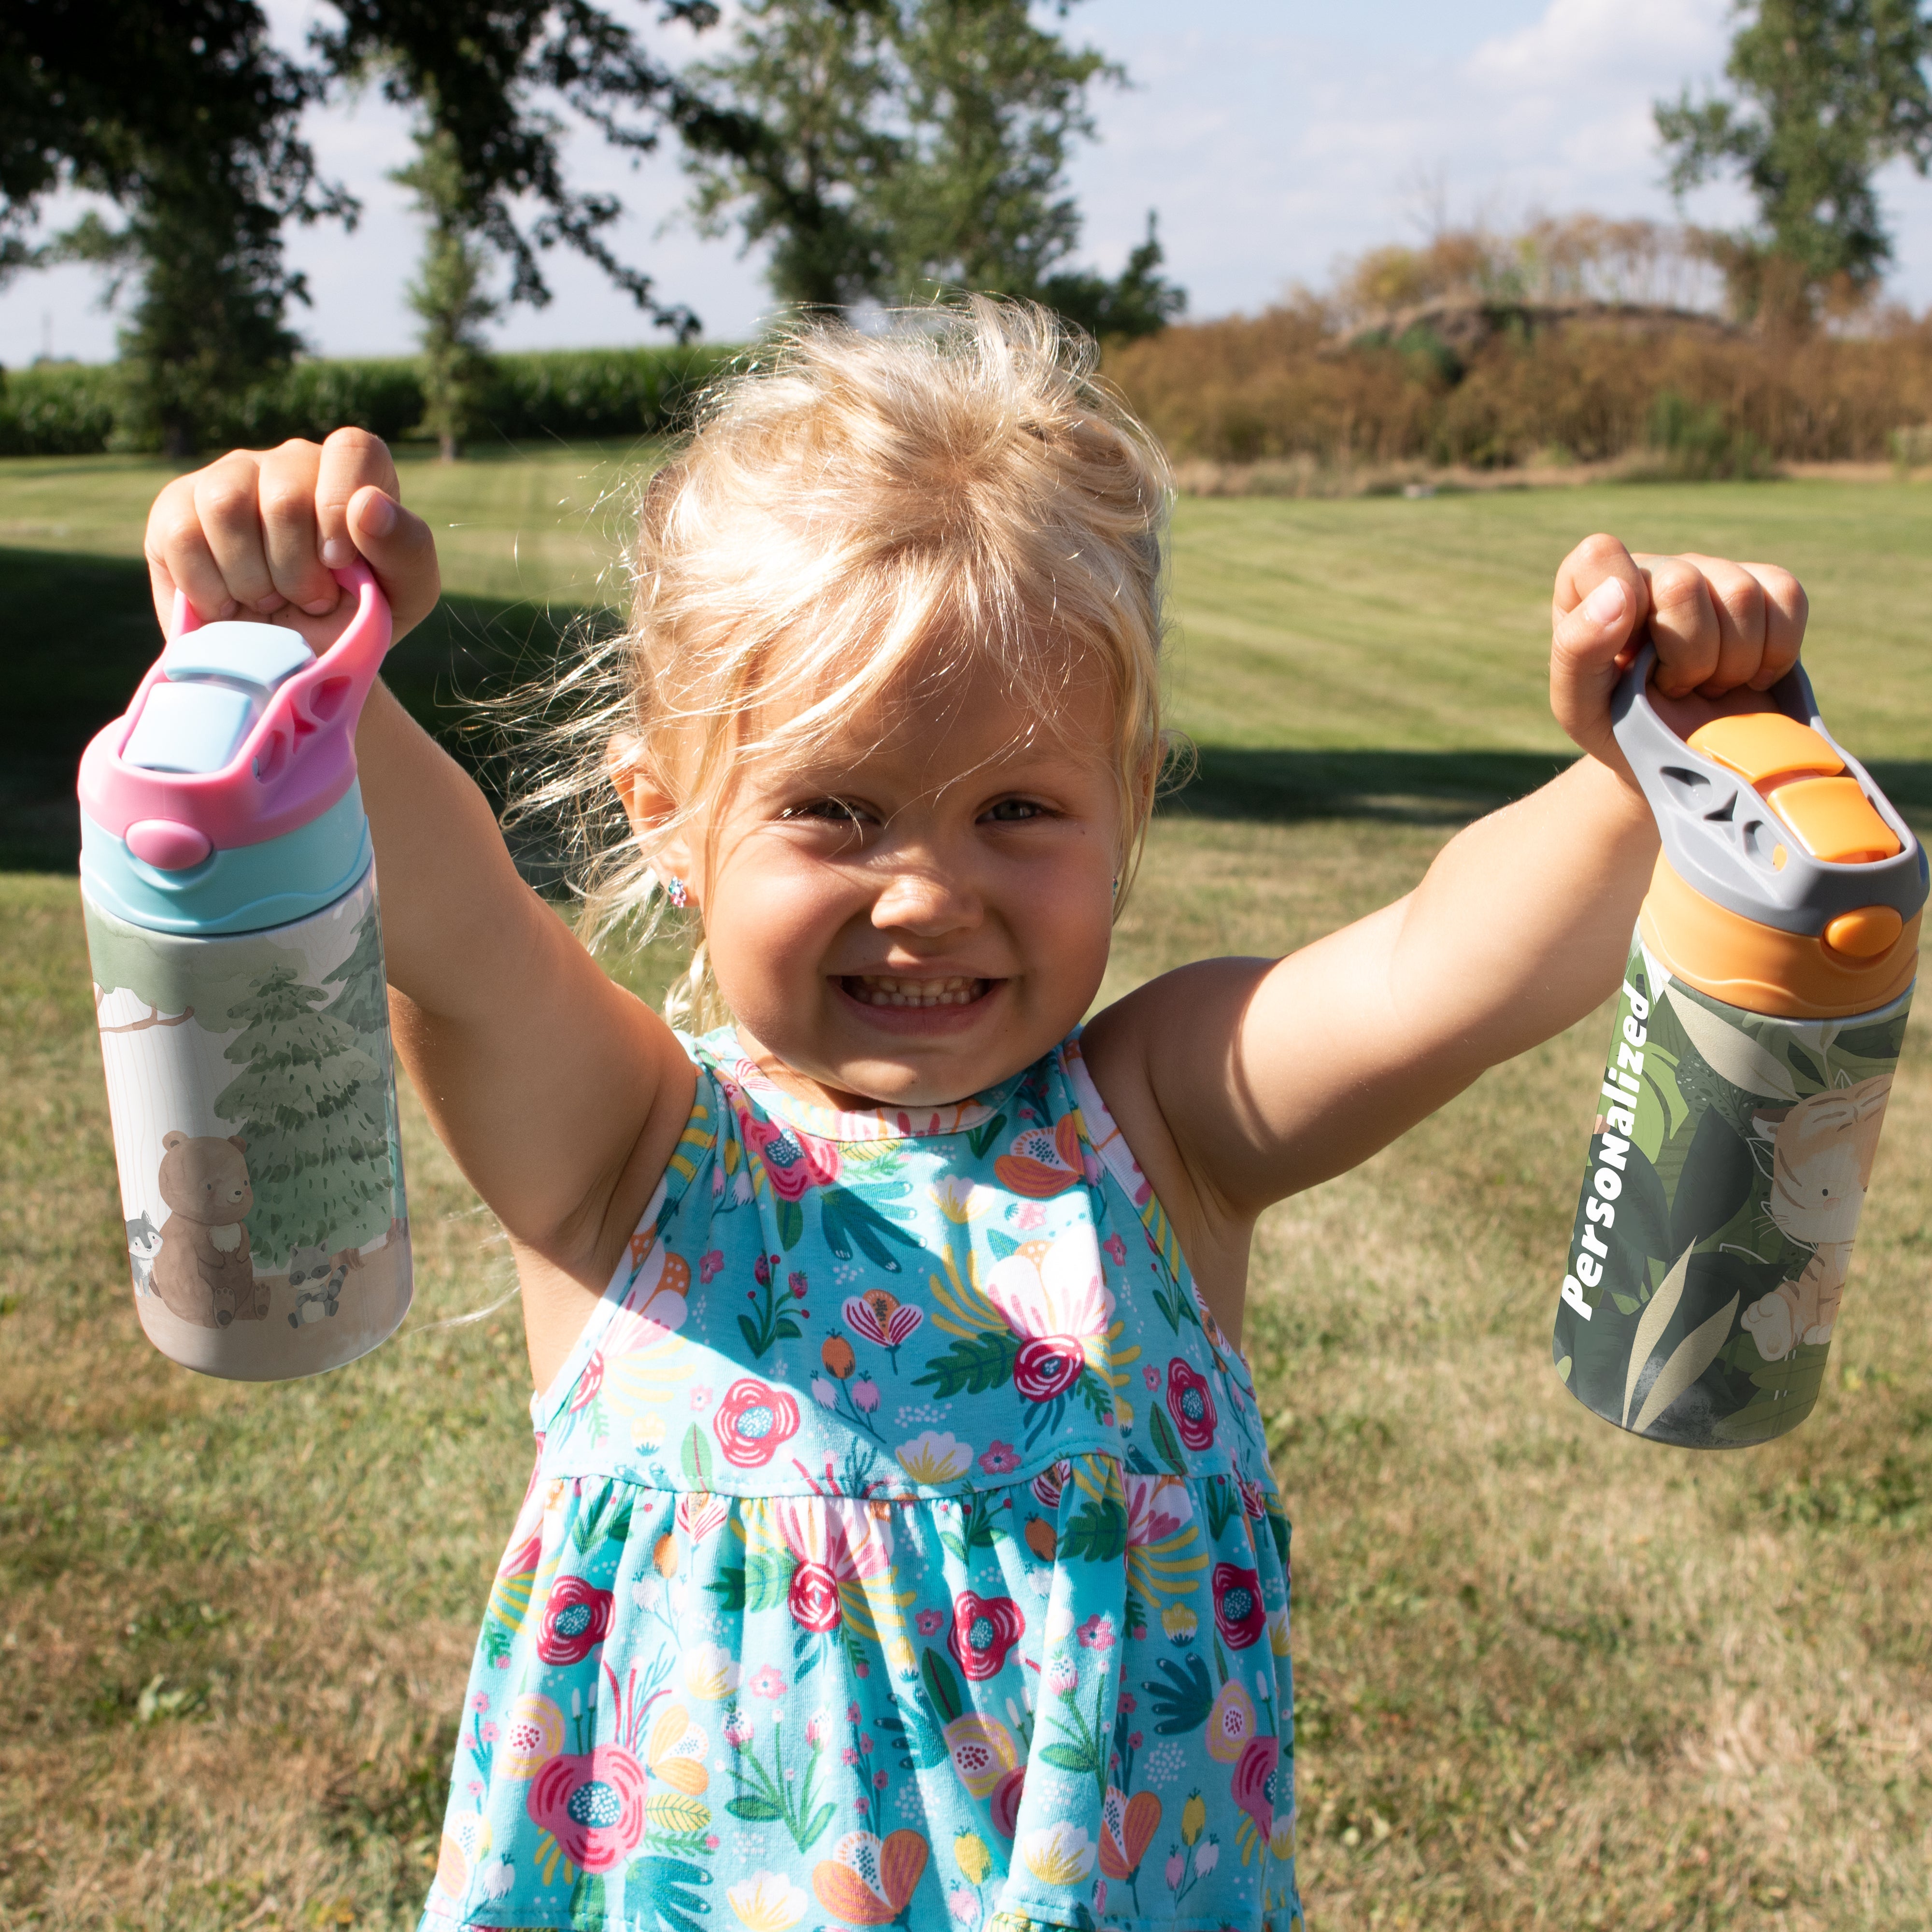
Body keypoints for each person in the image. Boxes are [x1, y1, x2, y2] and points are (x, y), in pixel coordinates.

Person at [139, 299, 1807, 1932]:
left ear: (1128, 803)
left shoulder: (1163, 1131)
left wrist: (1647, 767)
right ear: (667, 818)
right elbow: (457, 928)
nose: (929, 894)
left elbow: (1448, 969)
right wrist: (291, 665)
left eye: (1017, 808)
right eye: (833, 809)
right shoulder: (627, 1154)